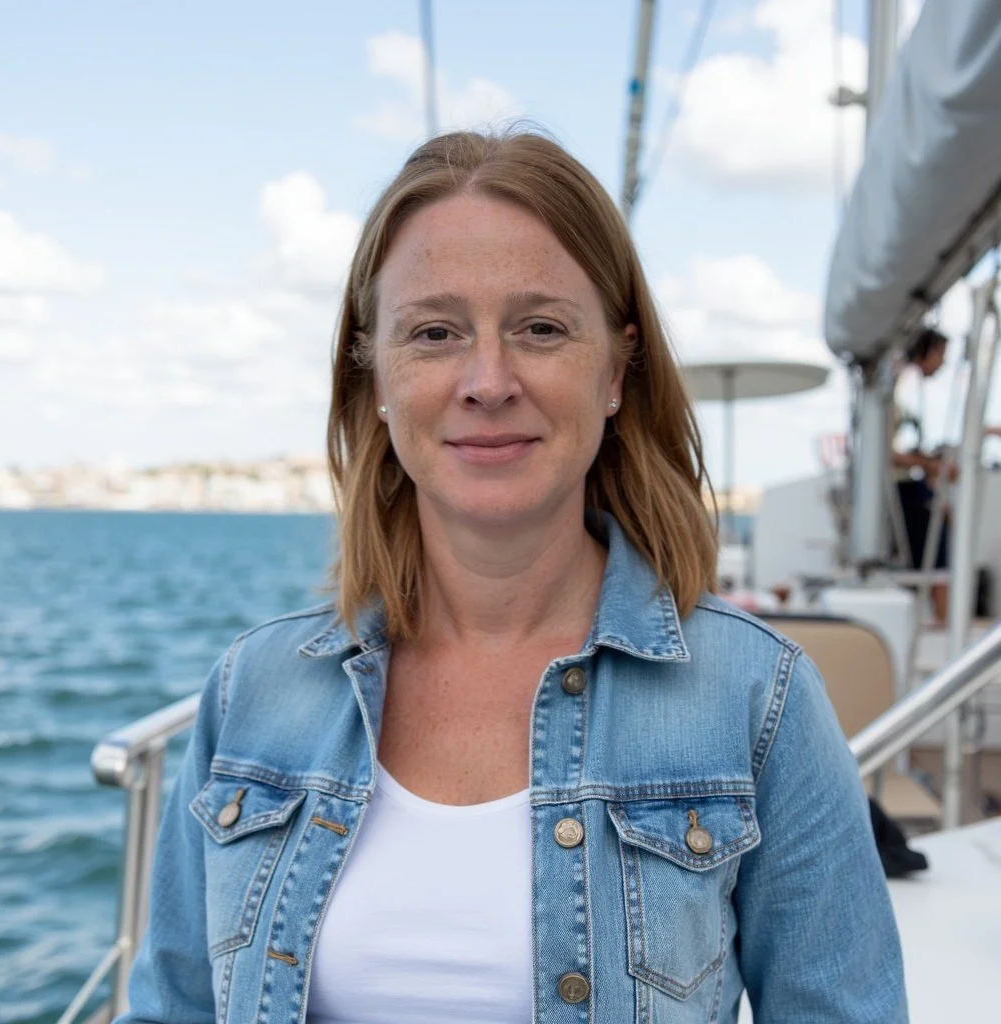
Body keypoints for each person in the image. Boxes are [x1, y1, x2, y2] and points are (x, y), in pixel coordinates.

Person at [118, 130, 906, 1023]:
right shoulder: (255, 692)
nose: (488, 380)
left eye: (540, 328)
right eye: (435, 332)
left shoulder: (756, 700)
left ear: (615, 369)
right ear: (374, 372)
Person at [892, 327, 953, 623]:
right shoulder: (897, 385)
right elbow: (885, 451)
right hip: (903, 489)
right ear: (925, 352)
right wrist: (931, 466)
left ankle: (941, 623)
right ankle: (943, 626)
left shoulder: (904, 385)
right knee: (937, 559)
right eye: (941, 355)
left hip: (909, 485)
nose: (943, 363)